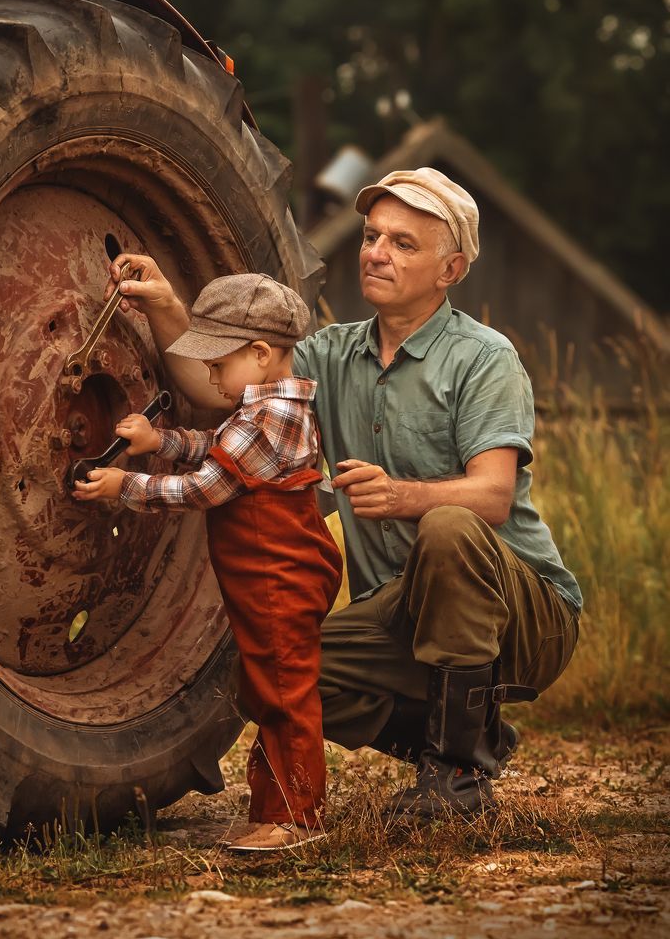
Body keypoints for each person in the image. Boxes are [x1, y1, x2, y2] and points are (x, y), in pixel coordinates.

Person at [103, 167, 581, 822]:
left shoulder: (483, 357)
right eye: (372, 236)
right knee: (273, 681)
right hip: (403, 611)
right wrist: (161, 304)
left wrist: (401, 495)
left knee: (446, 525)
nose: (376, 252)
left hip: (523, 614)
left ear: (452, 269)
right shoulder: (330, 356)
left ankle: (458, 779)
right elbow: (225, 383)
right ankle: (471, 739)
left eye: (403, 243)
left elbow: (493, 497)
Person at [73, 273, 343, 851]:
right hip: (262, 577)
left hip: (279, 575)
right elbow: (213, 446)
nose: (211, 377)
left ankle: (297, 817)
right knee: (266, 683)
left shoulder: (272, 416)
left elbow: (204, 488)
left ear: (262, 354)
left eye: (218, 364)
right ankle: (275, 809)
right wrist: (159, 441)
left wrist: (127, 484)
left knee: (283, 688)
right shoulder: (261, 407)